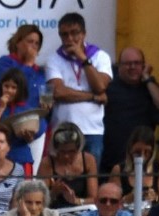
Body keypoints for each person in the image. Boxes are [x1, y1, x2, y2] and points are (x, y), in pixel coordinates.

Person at [44, 11, 112, 167]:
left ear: (84, 34)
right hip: (63, 128)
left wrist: (83, 59)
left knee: (91, 177)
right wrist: (93, 97)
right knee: (62, 174)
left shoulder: (100, 57)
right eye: (64, 35)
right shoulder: (53, 59)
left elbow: (100, 86)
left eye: (74, 33)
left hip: (92, 130)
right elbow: (59, 92)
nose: (69, 39)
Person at [102, 47, 159, 174]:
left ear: (143, 66)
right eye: (127, 64)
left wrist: (147, 78)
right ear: (118, 66)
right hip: (112, 160)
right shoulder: (108, 88)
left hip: (142, 160)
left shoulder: (150, 88)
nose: (132, 67)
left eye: (137, 63)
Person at [0, 24, 50, 170]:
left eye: (37, 43)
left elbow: (45, 95)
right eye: (30, 41)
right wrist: (28, 64)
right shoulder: (6, 62)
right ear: (18, 42)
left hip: (35, 128)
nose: (34, 46)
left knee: (31, 172)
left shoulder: (40, 72)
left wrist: (47, 103)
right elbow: (4, 85)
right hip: (10, 126)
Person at [0, 67, 38, 172]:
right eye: (6, 86)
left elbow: (32, 137)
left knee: (24, 189)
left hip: (21, 158)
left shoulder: (27, 109)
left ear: (20, 90)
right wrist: (2, 107)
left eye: (14, 87)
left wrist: (28, 136)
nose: (9, 90)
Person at [38, 121, 98, 210]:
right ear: (56, 149)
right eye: (62, 151)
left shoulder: (88, 160)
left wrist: (76, 201)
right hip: (55, 212)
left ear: (78, 149)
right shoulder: (47, 163)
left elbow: (94, 199)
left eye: (71, 152)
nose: (66, 156)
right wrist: (53, 193)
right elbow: (38, 202)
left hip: (82, 210)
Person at [109, 126, 159, 205]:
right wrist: (128, 198)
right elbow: (110, 202)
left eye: (147, 152)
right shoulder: (118, 170)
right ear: (130, 149)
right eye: (137, 151)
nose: (142, 156)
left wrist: (156, 198)